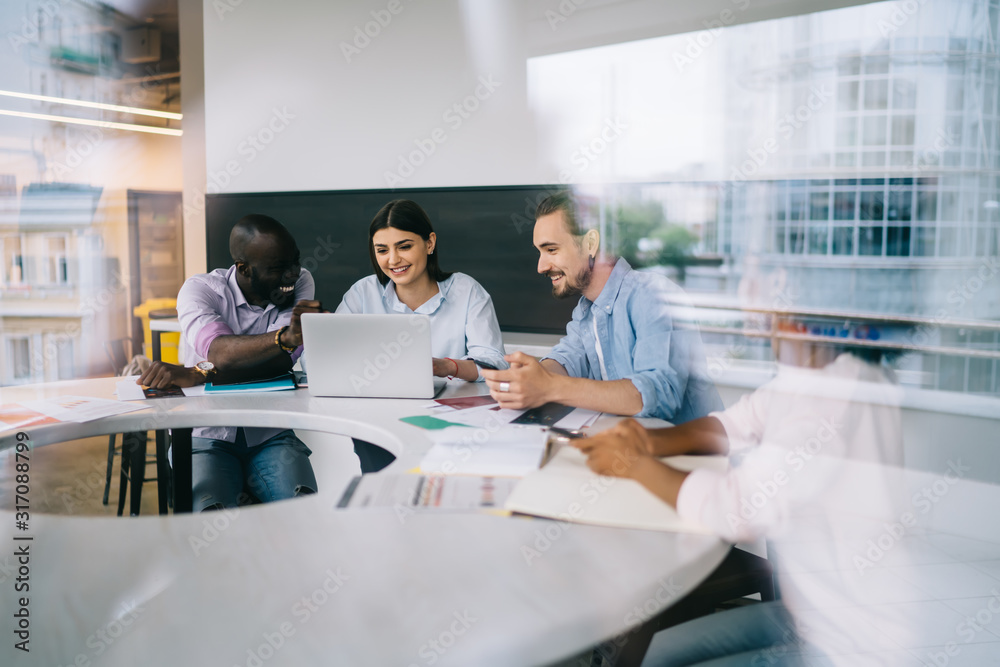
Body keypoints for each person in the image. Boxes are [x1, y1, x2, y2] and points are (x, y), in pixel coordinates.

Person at [574, 337, 912, 665]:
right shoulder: (817, 375)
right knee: (658, 652)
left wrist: (636, 465)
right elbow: (737, 423)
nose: (758, 330)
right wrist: (648, 441)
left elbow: (740, 509)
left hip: (845, 643)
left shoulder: (836, 392)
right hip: (808, 614)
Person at [481, 191, 721, 423]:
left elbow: (659, 395)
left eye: (551, 249)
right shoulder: (586, 310)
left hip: (691, 458)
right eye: (540, 252)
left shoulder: (653, 295)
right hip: (631, 448)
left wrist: (549, 386)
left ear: (591, 243)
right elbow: (568, 358)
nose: (541, 267)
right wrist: (531, 377)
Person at [138, 214, 324, 511]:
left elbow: (281, 362)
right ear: (244, 269)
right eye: (278, 268)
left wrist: (199, 373)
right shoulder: (200, 291)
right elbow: (220, 352)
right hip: (205, 433)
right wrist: (282, 339)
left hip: (269, 431)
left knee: (305, 510)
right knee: (211, 519)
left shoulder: (298, 281)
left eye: (295, 261)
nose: (292, 273)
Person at [336, 199, 507, 472]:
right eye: (382, 250)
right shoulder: (362, 293)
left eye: (404, 246)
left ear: (429, 243)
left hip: (451, 420)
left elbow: (494, 363)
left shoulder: (466, 290)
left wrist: (447, 366)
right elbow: (321, 359)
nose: (393, 260)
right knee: (385, 492)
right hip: (378, 418)